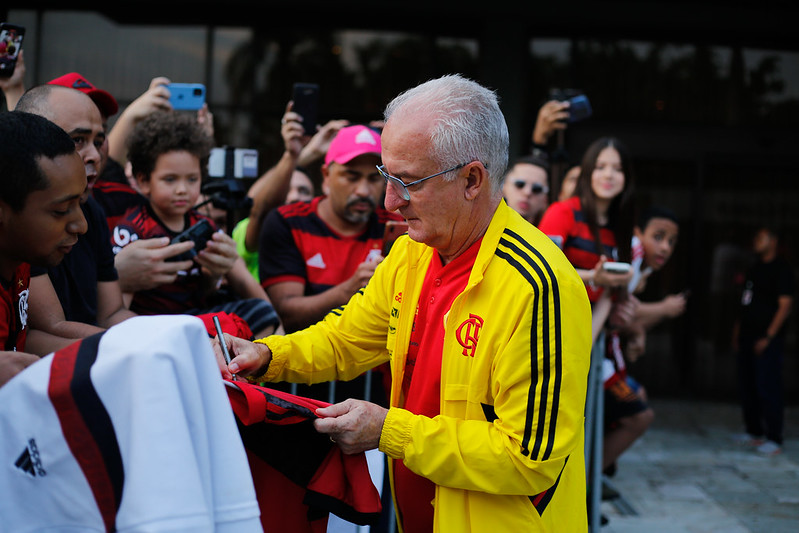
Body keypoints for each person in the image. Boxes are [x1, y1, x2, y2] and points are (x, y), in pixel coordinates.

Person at [213, 74, 592, 532]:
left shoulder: (539, 285)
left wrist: (390, 431)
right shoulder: (413, 250)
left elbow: (529, 460)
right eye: (385, 176)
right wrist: (267, 355)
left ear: (472, 179)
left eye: (408, 181)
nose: (390, 201)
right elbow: (347, 338)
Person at [112, 110, 280, 339]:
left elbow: (243, 279)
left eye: (192, 179)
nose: (182, 189)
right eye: (170, 179)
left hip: (199, 319)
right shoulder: (132, 230)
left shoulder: (204, 225)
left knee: (260, 312)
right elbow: (116, 311)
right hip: (152, 326)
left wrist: (276, 324)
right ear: (143, 181)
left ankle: (256, 370)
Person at [14, 84, 143, 337]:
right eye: (77, 140)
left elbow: (112, 313)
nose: (95, 154)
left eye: (99, 140)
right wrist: (138, 349)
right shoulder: (22, 218)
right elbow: (48, 330)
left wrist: (175, 335)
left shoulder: (93, 211)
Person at [0, 111, 90, 377]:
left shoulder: (19, 259)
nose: (81, 225)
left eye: (80, 203)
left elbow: (28, 339)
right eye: (61, 210)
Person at [731, 225, 794, 455]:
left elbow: (785, 306)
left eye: (762, 237)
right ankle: (754, 431)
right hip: (747, 335)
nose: (757, 241)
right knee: (748, 384)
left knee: (768, 386)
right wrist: (737, 333)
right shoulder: (754, 268)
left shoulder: (782, 270)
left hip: (767, 338)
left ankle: (774, 437)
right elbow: (744, 303)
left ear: (774, 241)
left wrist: (768, 336)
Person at [501, 150, 551, 226]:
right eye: (519, 184)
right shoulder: (481, 231)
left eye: (536, 189)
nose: (527, 192)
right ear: (503, 187)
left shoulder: (549, 236)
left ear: (545, 199)